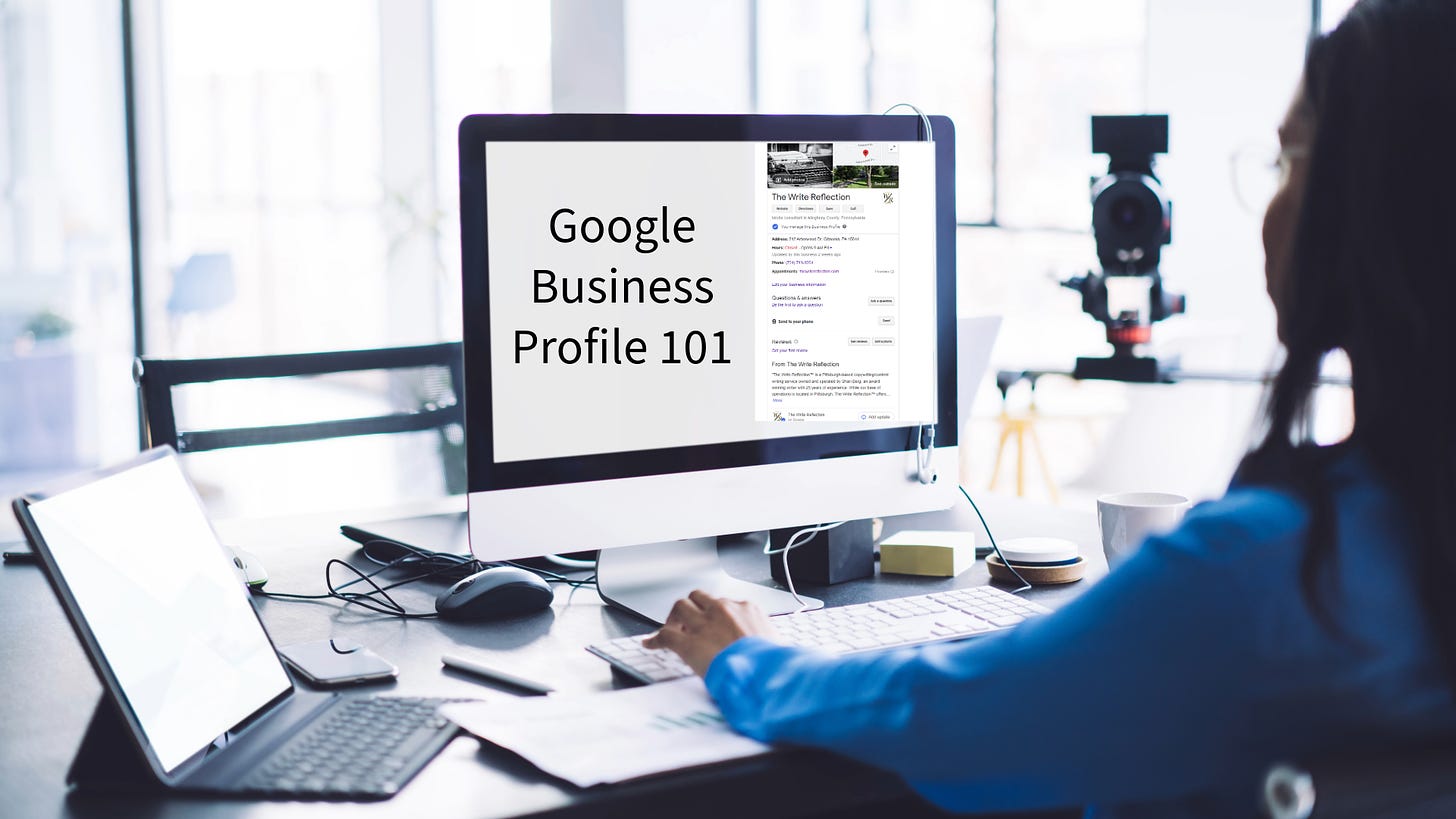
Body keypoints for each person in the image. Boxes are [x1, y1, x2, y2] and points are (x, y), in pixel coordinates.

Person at [643, 1, 1456, 815]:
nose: (1272, 211)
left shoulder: (1261, 577)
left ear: (1382, 201)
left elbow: (952, 715)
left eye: (1289, 163)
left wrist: (747, 658)